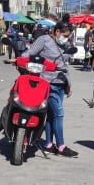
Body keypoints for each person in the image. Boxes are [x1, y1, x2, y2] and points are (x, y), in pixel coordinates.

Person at [25, 22, 78, 157]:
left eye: (68, 36)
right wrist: (18, 60)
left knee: (52, 115)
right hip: (47, 83)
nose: (66, 38)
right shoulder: (44, 40)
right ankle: (60, 146)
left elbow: (64, 66)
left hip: (61, 83)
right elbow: (29, 53)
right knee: (59, 113)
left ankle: (48, 144)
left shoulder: (65, 45)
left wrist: (69, 84)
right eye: (65, 35)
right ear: (57, 31)